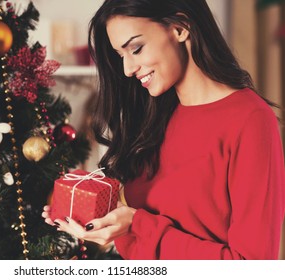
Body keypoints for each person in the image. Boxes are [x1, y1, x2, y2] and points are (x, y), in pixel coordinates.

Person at [42, 0, 285, 259]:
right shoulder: (153, 117)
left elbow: (252, 265)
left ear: (180, 28)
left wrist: (138, 224)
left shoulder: (251, 120)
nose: (127, 69)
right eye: (121, 55)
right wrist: (103, 218)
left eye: (136, 48)